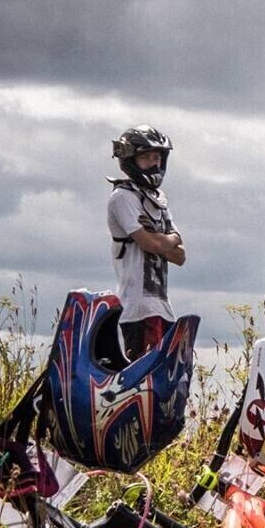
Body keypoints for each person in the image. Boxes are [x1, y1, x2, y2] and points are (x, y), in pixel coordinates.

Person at [106, 125, 187, 359]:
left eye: (157, 157)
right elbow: (152, 244)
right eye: (145, 157)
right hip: (137, 309)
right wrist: (165, 240)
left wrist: (160, 239)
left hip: (163, 307)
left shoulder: (158, 201)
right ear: (130, 159)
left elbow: (180, 255)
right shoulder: (123, 197)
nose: (153, 163)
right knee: (144, 374)